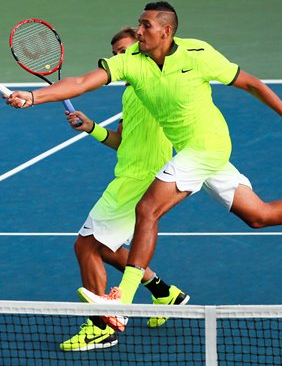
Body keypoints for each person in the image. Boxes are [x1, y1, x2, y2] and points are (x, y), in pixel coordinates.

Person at [6, 1, 282, 331]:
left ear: (166, 31)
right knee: (258, 214)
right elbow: (84, 82)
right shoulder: (131, 63)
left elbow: (250, 83)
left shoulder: (198, 53)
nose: (139, 30)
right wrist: (34, 97)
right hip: (193, 151)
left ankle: (122, 300)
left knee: (147, 209)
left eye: (146, 25)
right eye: (138, 24)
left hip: (209, 145)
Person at [60, 27, 189, 352]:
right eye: (116, 53)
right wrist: (91, 128)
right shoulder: (131, 93)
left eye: (127, 50)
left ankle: (100, 326)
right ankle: (164, 293)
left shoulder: (152, 87)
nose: (121, 57)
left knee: (86, 246)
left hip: (138, 182)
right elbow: (121, 143)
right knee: (105, 248)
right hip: (130, 177)